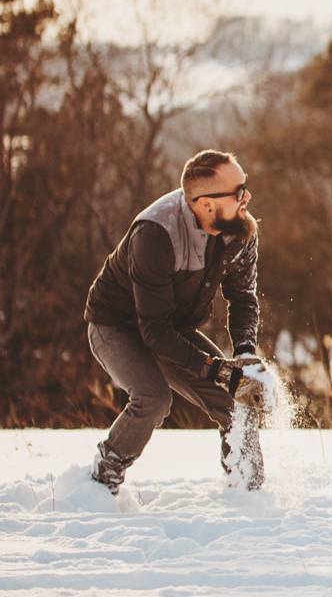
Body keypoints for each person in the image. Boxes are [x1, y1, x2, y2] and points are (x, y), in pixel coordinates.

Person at [83, 149, 268, 493]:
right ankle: (101, 479)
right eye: (238, 191)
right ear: (206, 204)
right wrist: (215, 369)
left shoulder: (240, 231)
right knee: (153, 399)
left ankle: (247, 493)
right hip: (116, 326)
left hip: (170, 326)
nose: (247, 198)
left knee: (238, 398)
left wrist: (244, 355)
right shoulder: (156, 233)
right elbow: (153, 332)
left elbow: (242, 297)